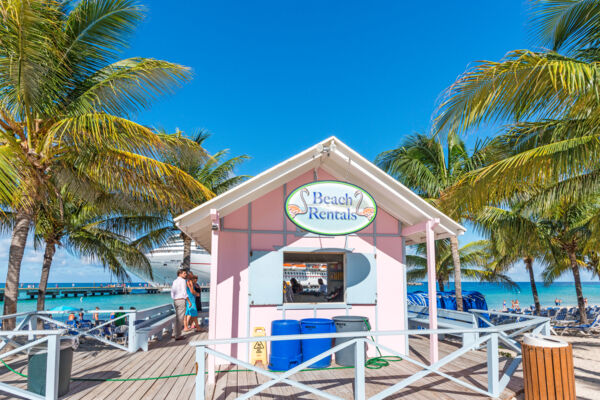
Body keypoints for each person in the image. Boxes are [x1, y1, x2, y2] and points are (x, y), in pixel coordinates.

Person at [171, 268, 188, 340]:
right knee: (180, 318)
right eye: (184, 273)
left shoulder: (174, 281)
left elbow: (172, 291)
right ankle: (178, 335)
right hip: (181, 300)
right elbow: (184, 292)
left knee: (177, 318)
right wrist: (188, 301)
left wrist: (174, 298)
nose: (186, 274)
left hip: (175, 300)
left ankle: (174, 333)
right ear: (180, 274)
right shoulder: (183, 281)